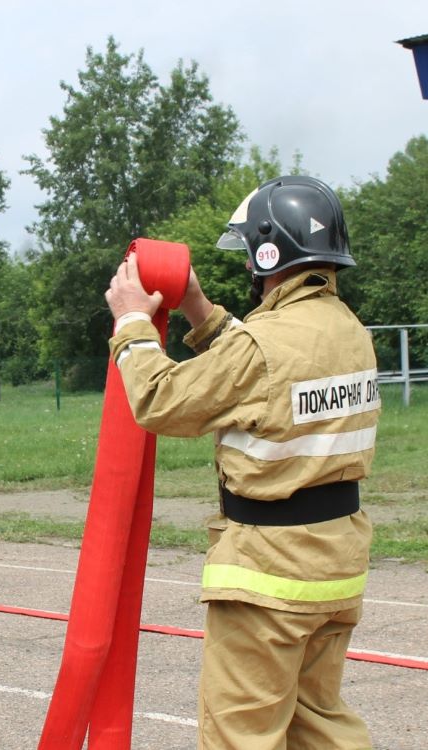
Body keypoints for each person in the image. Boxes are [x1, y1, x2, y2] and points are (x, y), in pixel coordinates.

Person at [104, 175, 380, 750]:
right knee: (319, 723)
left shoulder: (265, 344)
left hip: (269, 578)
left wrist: (131, 323)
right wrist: (198, 308)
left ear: (266, 252)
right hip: (337, 566)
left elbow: (161, 401)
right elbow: (261, 370)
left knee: (242, 735)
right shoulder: (350, 331)